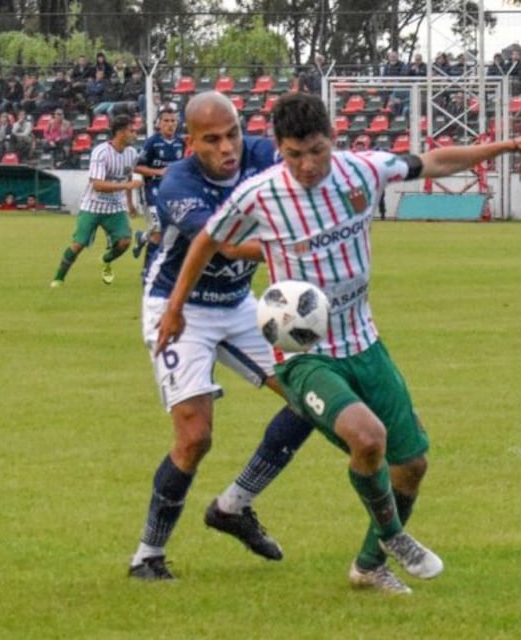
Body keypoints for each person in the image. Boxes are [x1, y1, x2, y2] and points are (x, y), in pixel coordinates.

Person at [154, 92, 521, 594]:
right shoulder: (259, 194)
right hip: (306, 356)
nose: (306, 165)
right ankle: (394, 535)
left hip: (365, 343)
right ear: (278, 148)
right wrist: (173, 310)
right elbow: (206, 241)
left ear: (333, 141)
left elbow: (434, 160)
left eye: (316, 151)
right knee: (367, 439)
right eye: (294, 154)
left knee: (412, 464)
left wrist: (512, 144)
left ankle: (369, 565)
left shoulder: (362, 171)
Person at [129, 91, 317, 581]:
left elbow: (310, 167)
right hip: (177, 308)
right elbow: (227, 246)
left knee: (313, 398)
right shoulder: (178, 184)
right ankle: (147, 556)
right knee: (195, 437)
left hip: (238, 306)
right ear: (190, 142)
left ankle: (234, 505)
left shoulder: (262, 154)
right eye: (212, 140)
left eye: (232, 133)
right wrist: (294, 243)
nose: (227, 147)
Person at [49, 114, 141, 288]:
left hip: (115, 207)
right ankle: (58, 278)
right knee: (78, 244)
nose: (135, 135)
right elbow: (97, 185)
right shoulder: (101, 152)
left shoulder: (131, 153)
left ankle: (106, 260)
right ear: (120, 132)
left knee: (125, 242)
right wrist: (127, 186)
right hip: (93, 205)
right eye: (132, 131)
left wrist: (129, 203)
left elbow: (128, 175)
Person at [132, 105, 185, 267]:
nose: (170, 124)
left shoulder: (181, 143)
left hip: (173, 192)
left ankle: (143, 238)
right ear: (159, 123)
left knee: (173, 231)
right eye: (166, 121)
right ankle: (147, 269)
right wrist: (159, 172)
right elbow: (137, 167)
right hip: (152, 191)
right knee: (157, 231)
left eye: (173, 121)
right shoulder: (152, 143)